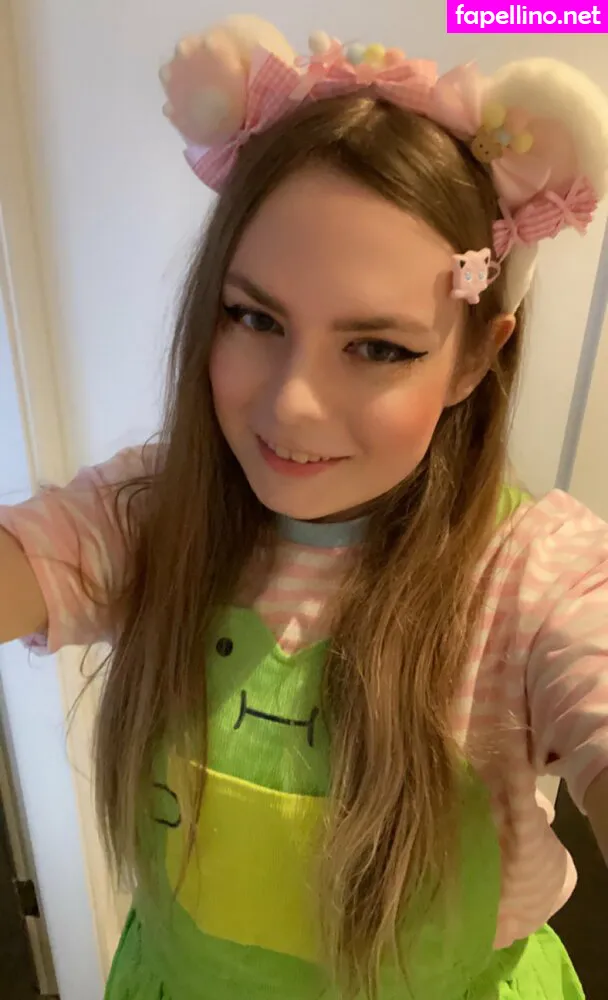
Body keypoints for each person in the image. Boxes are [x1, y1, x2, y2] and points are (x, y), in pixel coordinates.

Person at [1, 14, 608, 1000]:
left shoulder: (529, 575)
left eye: (376, 347)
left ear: (475, 357)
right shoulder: (155, 514)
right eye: (254, 317)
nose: (290, 404)